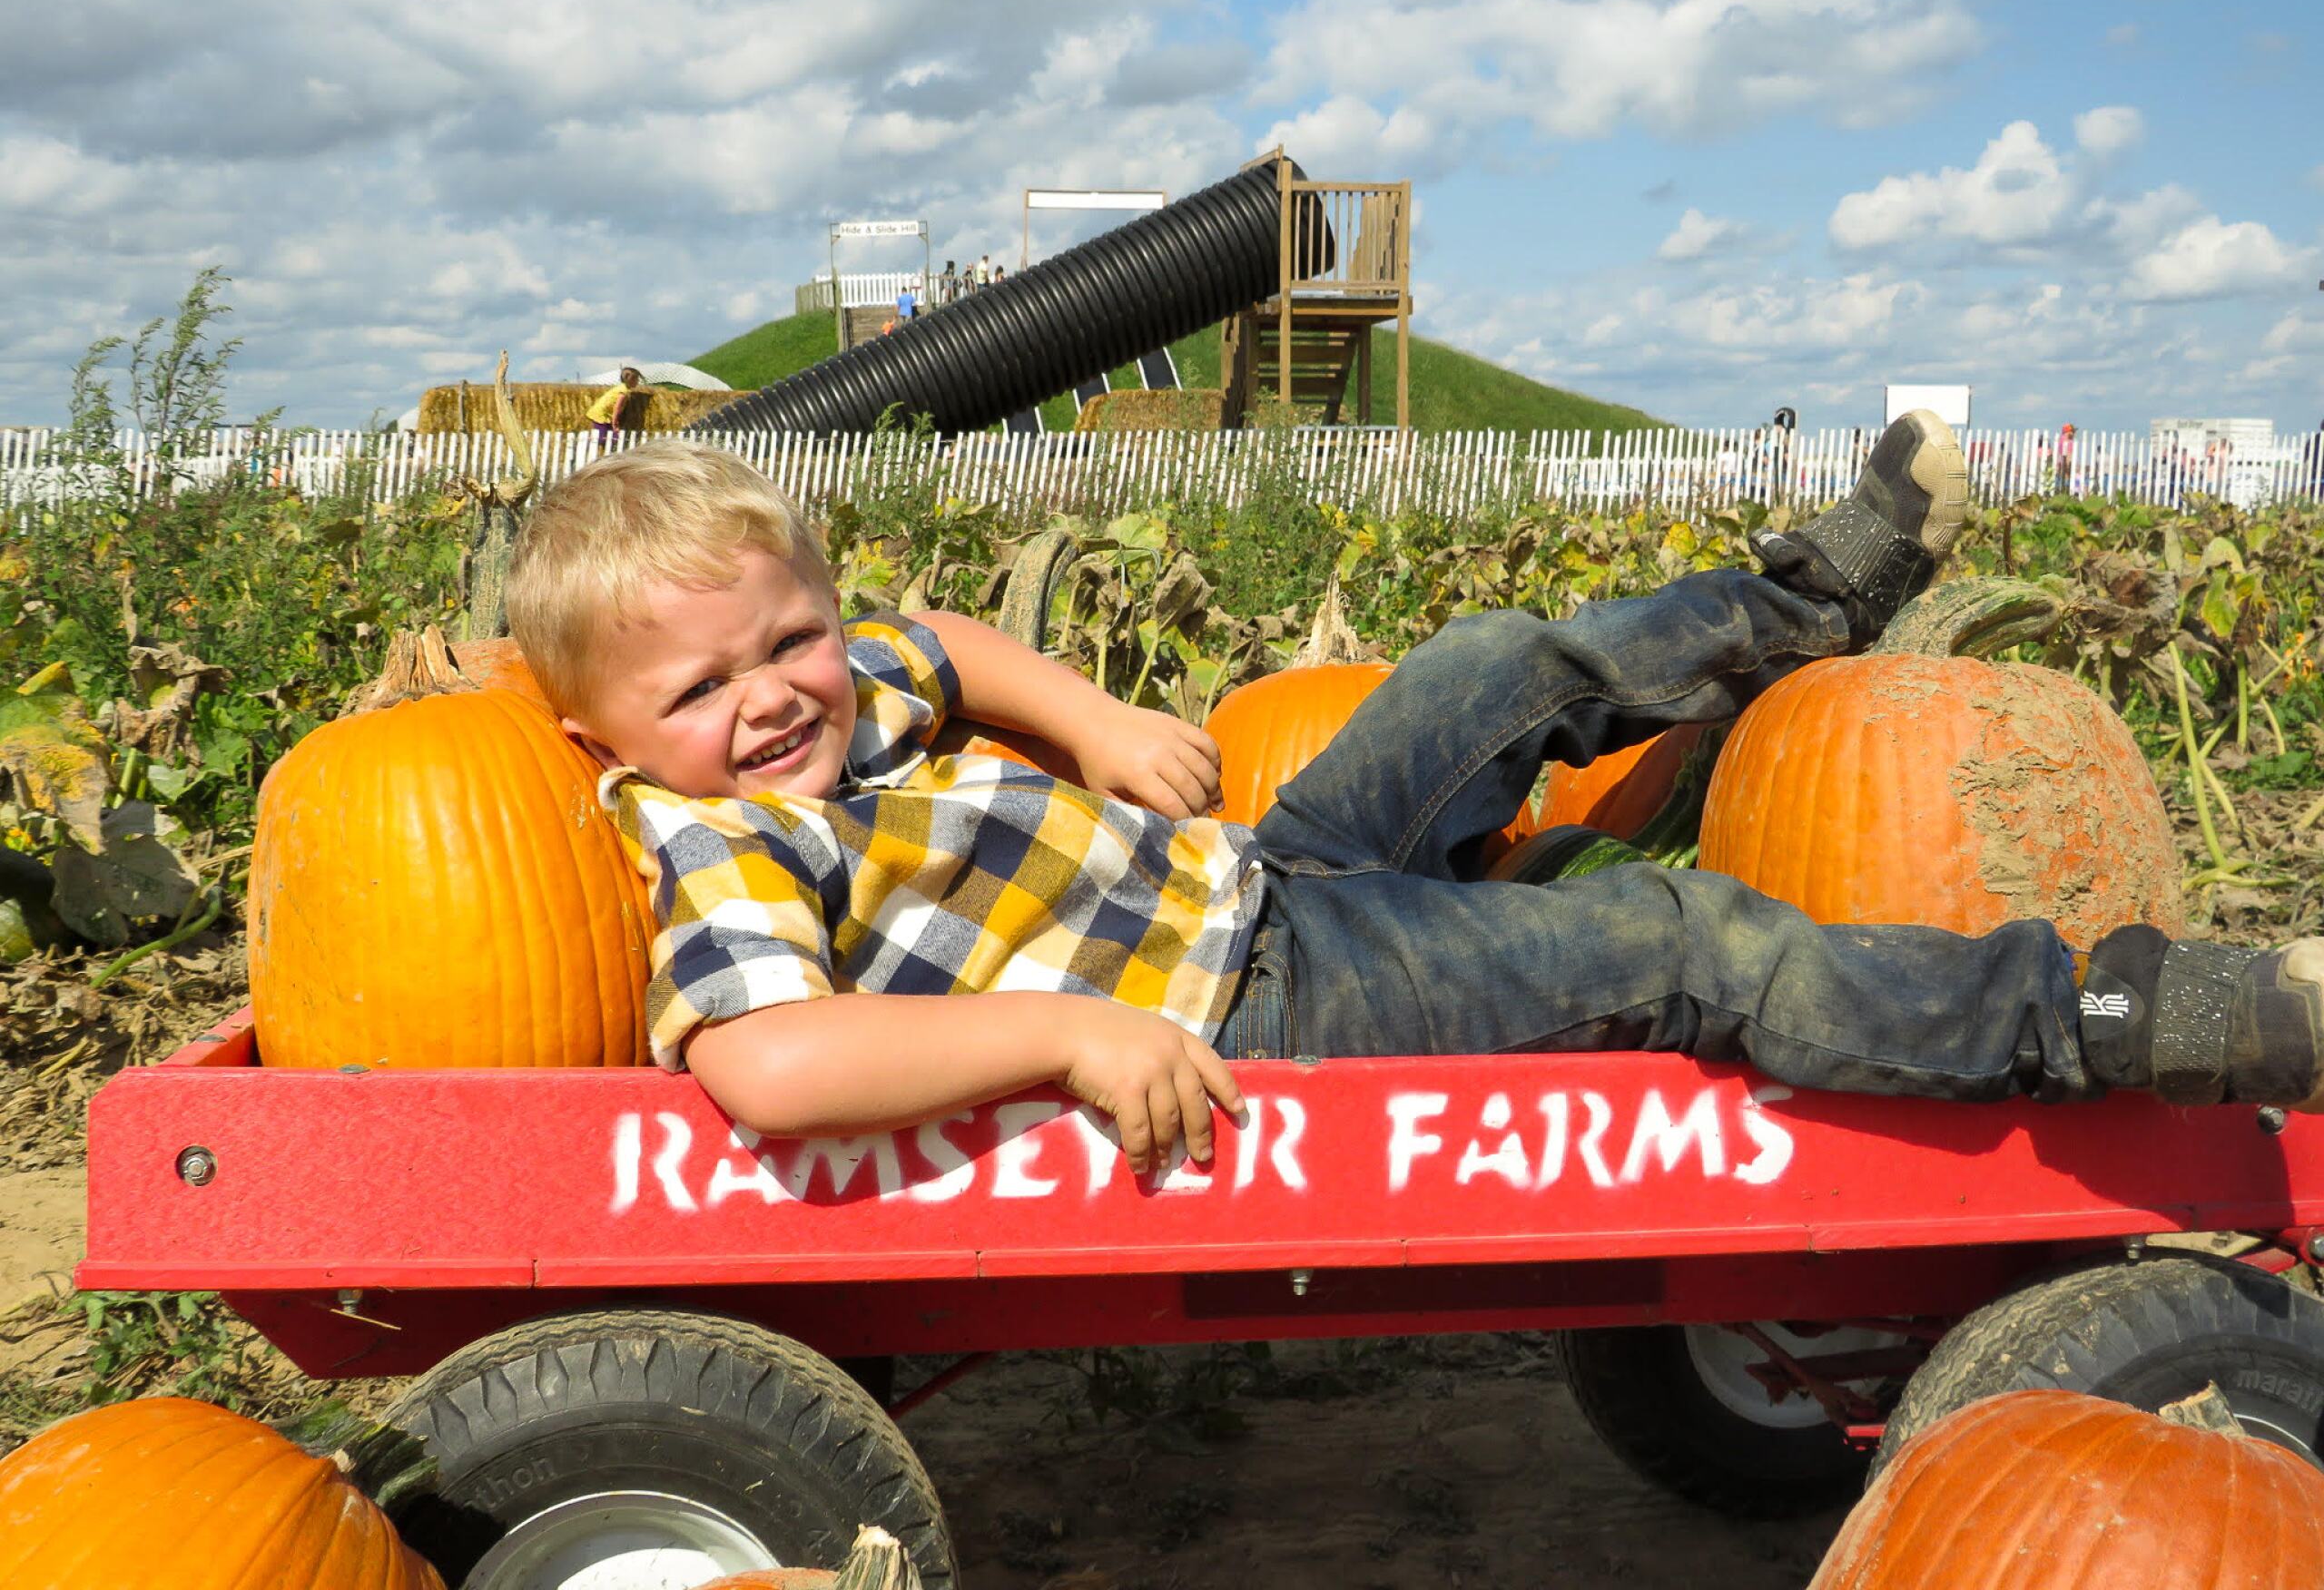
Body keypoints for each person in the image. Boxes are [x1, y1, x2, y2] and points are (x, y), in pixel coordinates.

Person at [503, 417, 2324, 1177]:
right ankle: (2111, 1007)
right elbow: (769, 1066)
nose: (769, 699)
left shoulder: (833, 686)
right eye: (698, 689)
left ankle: (1802, 607)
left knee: (1483, 676)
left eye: (787, 643)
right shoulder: (725, 831)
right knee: (1667, 935)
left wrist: (1097, 713)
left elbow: (939, 642)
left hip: (1247, 879)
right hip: (1257, 1002)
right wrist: (1060, 1039)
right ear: (602, 743)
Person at [585, 366, 649, 452]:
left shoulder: (623, 389)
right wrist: (614, 423)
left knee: (615, 437)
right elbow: (617, 408)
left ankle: (612, 450)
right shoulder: (623, 392)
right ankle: (586, 445)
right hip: (601, 415)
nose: (638, 382)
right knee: (601, 438)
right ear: (630, 380)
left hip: (607, 415)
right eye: (636, 379)